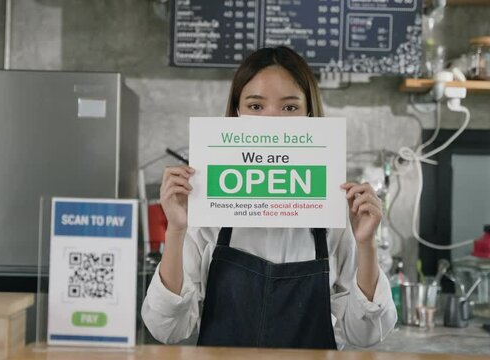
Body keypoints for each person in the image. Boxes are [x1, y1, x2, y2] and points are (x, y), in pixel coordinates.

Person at [142, 46, 397, 350]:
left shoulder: (335, 212)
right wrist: (176, 229)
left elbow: (365, 334)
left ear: (310, 115)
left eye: (289, 108)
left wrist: (366, 244)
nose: (272, 121)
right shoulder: (207, 207)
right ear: (237, 113)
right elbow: (167, 329)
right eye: (256, 106)